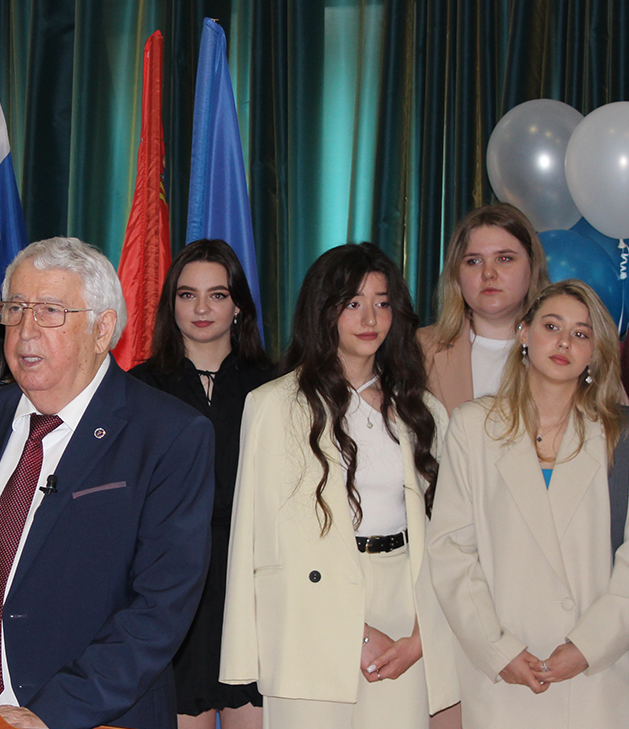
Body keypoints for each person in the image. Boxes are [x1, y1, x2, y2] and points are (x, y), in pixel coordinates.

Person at [0, 237, 215, 729]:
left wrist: (49, 714)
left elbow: (159, 610)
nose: (25, 331)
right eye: (15, 309)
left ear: (102, 330)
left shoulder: (168, 435)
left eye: (50, 312)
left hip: (86, 717)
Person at [221, 243, 459, 729]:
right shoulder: (275, 405)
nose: (370, 318)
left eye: (382, 302)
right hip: (310, 616)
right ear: (322, 310)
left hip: (406, 607)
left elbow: (450, 535)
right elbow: (256, 540)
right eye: (353, 303)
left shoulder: (425, 411)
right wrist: (354, 632)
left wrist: (424, 634)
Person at [426, 280, 629, 729]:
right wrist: (497, 649)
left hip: (598, 675)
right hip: (504, 674)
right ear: (524, 332)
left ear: (595, 351)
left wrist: (589, 646)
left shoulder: (619, 434)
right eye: (551, 326)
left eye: (580, 333)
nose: (564, 342)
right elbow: (450, 550)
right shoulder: (474, 427)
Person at [130, 239, 271, 729]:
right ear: (171, 305)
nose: (203, 308)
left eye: (218, 295)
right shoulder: (138, 388)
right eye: (188, 295)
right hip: (171, 590)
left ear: (239, 306)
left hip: (254, 586)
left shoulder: (277, 385)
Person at [417, 203, 548, 414]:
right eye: (474, 261)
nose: (488, 273)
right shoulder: (419, 351)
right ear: (456, 274)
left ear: (533, 266)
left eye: (504, 259)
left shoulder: (568, 348)